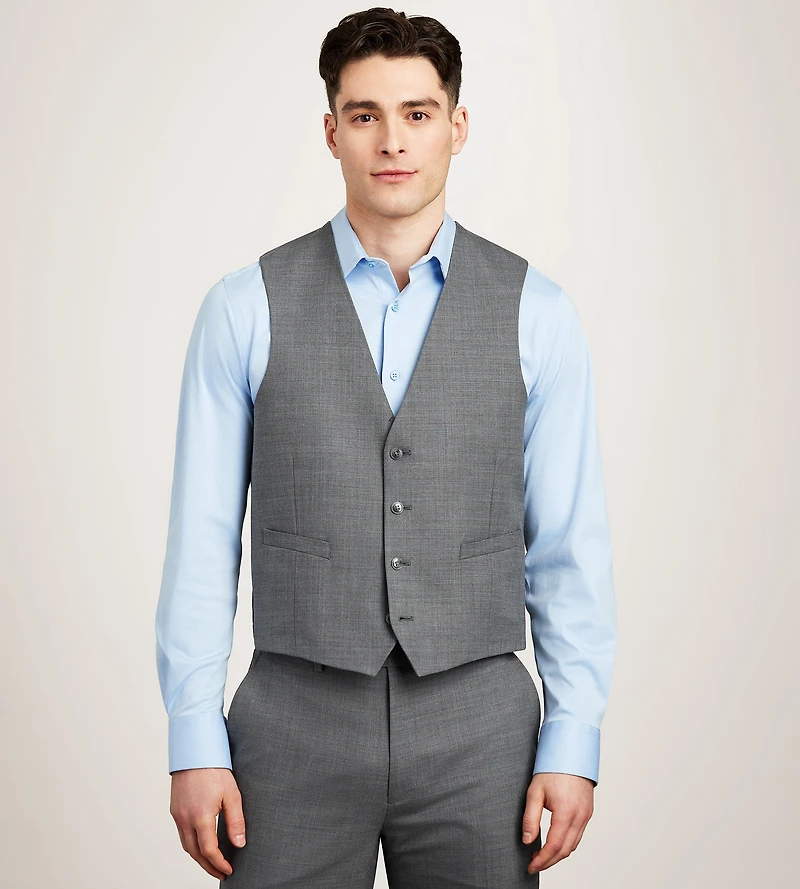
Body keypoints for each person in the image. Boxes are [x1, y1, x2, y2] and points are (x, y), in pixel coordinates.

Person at [155, 7, 617, 887]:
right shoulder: (244, 306)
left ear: (457, 127)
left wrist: (573, 737)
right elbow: (202, 543)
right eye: (365, 115)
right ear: (332, 132)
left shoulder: (538, 312)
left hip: (481, 729)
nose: (393, 140)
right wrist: (194, 737)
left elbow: (567, 547)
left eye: (417, 112)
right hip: (291, 721)